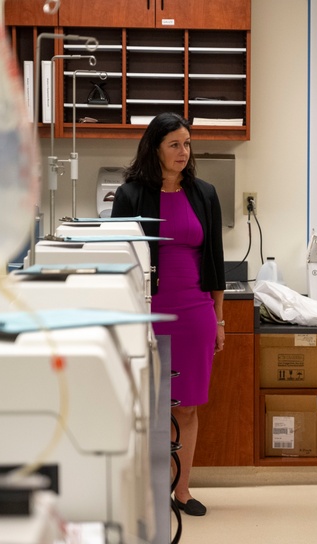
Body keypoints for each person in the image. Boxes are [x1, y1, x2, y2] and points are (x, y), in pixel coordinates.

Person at [112, 112, 226, 517]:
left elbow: (215, 260)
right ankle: (147, 491)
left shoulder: (205, 194)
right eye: (175, 144)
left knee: (187, 406)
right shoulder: (130, 195)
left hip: (195, 310)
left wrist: (220, 318)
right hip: (148, 311)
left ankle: (182, 490)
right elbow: (119, 261)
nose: (184, 151)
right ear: (156, 148)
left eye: (187, 143)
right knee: (148, 406)